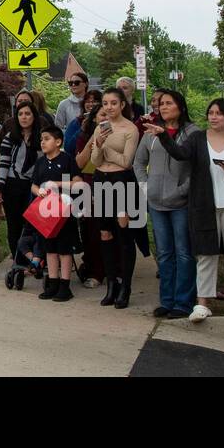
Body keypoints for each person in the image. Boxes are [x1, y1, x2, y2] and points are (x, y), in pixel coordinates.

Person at [158, 98, 224, 323]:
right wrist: (163, 135)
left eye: (219, 113)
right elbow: (180, 154)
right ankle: (202, 303)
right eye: (210, 112)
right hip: (204, 205)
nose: (213, 117)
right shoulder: (198, 138)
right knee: (205, 253)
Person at [134, 89, 198, 319]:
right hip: (156, 202)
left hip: (180, 202)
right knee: (164, 254)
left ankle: (184, 302)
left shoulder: (193, 132)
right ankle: (167, 300)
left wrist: (182, 190)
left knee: (184, 253)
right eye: (161, 104)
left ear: (180, 106)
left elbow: (197, 168)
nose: (163, 107)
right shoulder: (150, 133)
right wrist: (146, 187)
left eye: (169, 103)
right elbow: (139, 163)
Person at [89, 88, 145, 309]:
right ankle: (111, 284)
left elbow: (125, 161)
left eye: (113, 103)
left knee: (124, 234)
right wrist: (100, 144)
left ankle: (126, 287)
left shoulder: (130, 129)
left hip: (122, 181)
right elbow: (95, 159)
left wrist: (106, 147)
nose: (109, 107)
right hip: (101, 179)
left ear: (122, 105)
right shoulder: (99, 128)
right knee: (105, 233)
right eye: (105, 103)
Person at [30, 126, 81, 302]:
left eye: (47, 138)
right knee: (50, 248)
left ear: (58, 142)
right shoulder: (40, 162)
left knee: (64, 249)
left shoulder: (67, 159)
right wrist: (39, 192)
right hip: (46, 212)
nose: (42, 142)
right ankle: (53, 282)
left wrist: (57, 184)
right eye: (41, 139)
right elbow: (34, 184)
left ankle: (65, 285)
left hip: (64, 211)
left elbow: (77, 182)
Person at [0, 102, 41, 289]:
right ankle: (18, 263)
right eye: (20, 114)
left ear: (34, 116)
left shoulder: (41, 137)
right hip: (12, 185)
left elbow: (43, 162)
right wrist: (0, 185)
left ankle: (33, 261)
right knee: (14, 227)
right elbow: (4, 163)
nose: (24, 117)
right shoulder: (10, 137)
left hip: (33, 186)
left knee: (31, 226)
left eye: (28, 113)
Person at [68, 91, 105, 287]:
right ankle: (94, 270)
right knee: (90, 230)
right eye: (101, 115)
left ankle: (113, 269)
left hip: (113, 186)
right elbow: (79, 162)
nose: (105, 119)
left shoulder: (121, 133)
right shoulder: (84, 136)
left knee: (110, 232)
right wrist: (94, 138)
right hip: (89, 186)